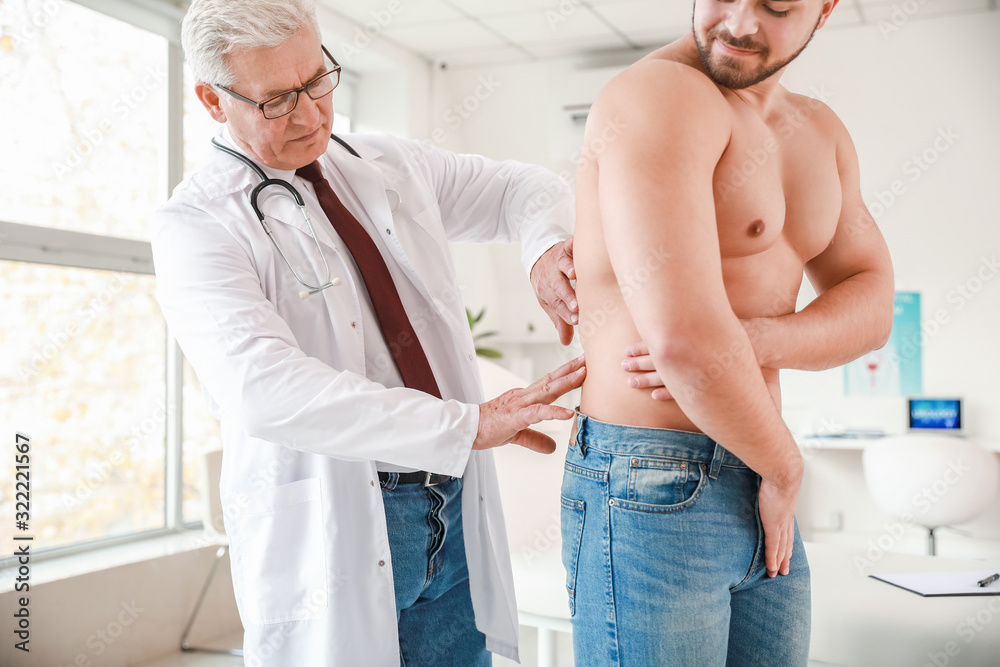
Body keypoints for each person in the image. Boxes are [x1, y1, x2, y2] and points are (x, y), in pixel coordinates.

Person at [152, 1, 584, 664]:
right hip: (345, 520)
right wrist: (462, 425)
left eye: (318, 79)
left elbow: (518, 189)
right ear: (213, 100)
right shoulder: (197, 224)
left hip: (451, 503)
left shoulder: (385, 164)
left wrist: (544, 249)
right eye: (276, 101)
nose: (311, 113)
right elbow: (262, 388)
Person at [565, 0, 894, 664]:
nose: (740, 23)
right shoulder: (658, 96)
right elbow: (683, 340)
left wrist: (754, 342)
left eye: (776, 5)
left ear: (825, 9)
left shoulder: (819, 130)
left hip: (759, 467)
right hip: (653, 474)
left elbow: (872, 304)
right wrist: (786, 466)